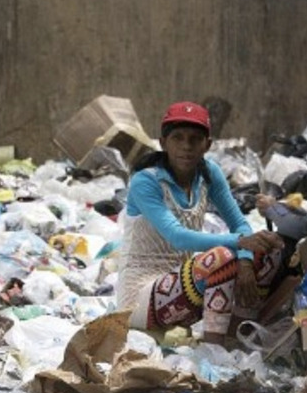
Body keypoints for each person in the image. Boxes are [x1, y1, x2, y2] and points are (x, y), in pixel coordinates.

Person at [116, 102, 285, 346]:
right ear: (163, 143)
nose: (186, 146)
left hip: (183, 290)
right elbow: (178, 236)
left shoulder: (209, 173)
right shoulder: (146, 181)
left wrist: (247, 259)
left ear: (207, 145)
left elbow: (239, 223)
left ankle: (237, 338)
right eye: (178, 138)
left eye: (195, 139)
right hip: (141, 296)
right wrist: (239, 243)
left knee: (270, 248)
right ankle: (213, 351)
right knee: (221, 257)